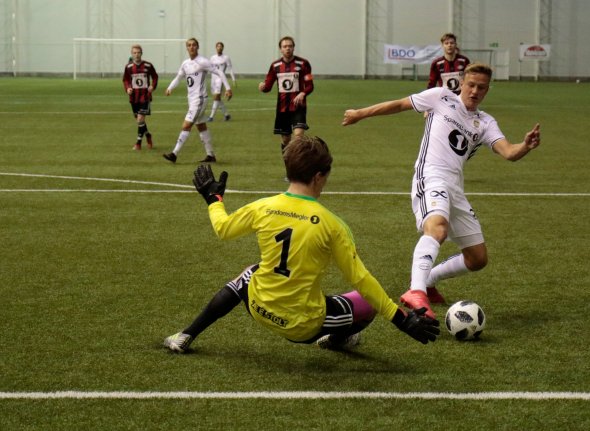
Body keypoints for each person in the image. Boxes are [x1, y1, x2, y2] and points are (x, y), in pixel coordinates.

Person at [163, 135, 439, 353]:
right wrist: (402, 320)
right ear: (319, 176)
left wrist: (214, 201)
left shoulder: (264, 207)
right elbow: (362, 279)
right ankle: (335, 340)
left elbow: (223, 229)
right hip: (302, 326)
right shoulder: (333, 225)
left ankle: (185, 335)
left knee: (252, 272)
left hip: (258, 308)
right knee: (365, 304)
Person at [342, 63, 541, 319]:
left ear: (487, 90)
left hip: (455, 187)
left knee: (477, 258)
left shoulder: (486, 122)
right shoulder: (440, 97)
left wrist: (525, 145)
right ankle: (416, 291)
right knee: (437, 228)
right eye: (471, 85)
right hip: (431, 176)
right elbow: (399, 104)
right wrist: (360, 113)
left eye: (481, 87)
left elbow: (509, 152)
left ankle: (428, 280)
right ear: (461, 83)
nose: (475, 91)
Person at [163, 38, 232, 164]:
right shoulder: (185, 64)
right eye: (189, 45)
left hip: (199, 100)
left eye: (194, 45)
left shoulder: (203, 62)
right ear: (186, 48)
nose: (191, 47)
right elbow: (178, 78)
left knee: (186, 125)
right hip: (192, 100)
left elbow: (220, 73)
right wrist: (169, 88)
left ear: (197, 47)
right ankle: (210, 155)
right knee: (201, 126)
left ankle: (174, 154)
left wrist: (227, 88)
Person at [258, 36, 314, 154]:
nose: (288, 48)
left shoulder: (304, 63)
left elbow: (310, 86)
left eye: (290, 46)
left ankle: (297, 166)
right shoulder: (275, 66)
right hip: (282, 108)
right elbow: (268, 87)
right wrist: (262, 87)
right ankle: (289, 167)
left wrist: (303, 93)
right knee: (285, 140)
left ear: (293, 48)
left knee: (298, 137)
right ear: (280, 49)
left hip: (298, 106)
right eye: (285, 46)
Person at [122, 44, 158, 151]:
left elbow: (155, 76)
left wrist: (152, 86)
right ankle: (148, 135)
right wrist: (128, 88)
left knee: (140, 119)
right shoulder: (128, 67)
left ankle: (138, 143)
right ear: (131, 54)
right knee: (139, 121)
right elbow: (125, 80)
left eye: (138, 52)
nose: (137, 55)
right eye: (134, 53)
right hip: (134, 98)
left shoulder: (148, 65)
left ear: (141, 53)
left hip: (145, 97)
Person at [207, 41, 236, 122]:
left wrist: (233, 79)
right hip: (213, 79)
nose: (219, 48)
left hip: (220, 79)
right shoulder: (212, 58)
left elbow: (230, 69)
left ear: (223, 48)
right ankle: (226, 115)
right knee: (217, 98)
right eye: (218, 46)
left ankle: (211, 117)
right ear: (216, 48)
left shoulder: (226, 58)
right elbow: (209, 68)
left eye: (221, 46)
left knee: (216, 97)